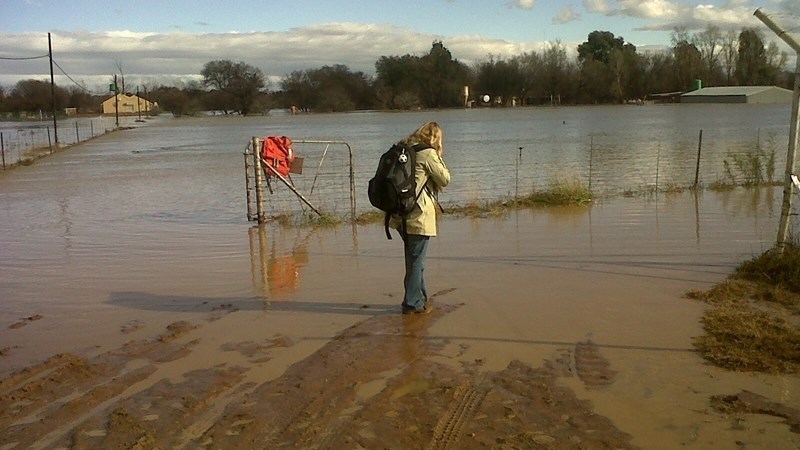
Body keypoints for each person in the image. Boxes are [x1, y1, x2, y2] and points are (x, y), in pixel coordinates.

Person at [391, 121, 451, 315]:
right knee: (417, 261)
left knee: (413, 258)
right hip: (418, 214)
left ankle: (420, 297)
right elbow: (445, 179)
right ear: (435, 138)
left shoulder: (404, 148)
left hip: (399, 213)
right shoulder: (427, 153)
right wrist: (438, 154)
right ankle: (412, 303)